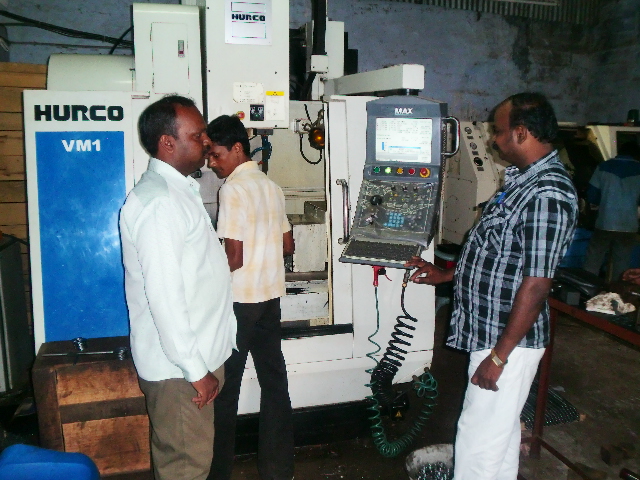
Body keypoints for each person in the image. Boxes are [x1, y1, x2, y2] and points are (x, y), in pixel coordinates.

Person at [406, 92, 578, 480]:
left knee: (478, 442)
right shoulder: (521, 183)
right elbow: (498, 257)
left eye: (498, 131)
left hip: (506, 341)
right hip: (491, 331)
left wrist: (499, 357)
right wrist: (445, 275)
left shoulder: (547, 194)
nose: (493, 140)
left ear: (521, 133)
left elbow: (536, 284)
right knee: (497, 438)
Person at [120, 96, 237, 480]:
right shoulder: (159, 203)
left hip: (194, 359)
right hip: (180, 370)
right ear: (167, 143)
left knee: (190, 462)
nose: (206, 141)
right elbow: (165, 298)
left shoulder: (177, 191)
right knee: (185, 468)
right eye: (197, 134)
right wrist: (195, 369)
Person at [206, 115, 295, 480]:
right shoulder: (271, 186)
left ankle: (218, 474)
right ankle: (278, 470)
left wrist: (202, 280)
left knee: (225, 393)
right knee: (275, 385)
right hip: (269, 300)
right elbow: (288, 245)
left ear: (237, 148)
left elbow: (234, 258)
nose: (211, 163)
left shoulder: (232, 189)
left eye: (216, 154)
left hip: (240, 304)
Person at [582, 141, 640, 281]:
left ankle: (587, 289)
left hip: (605, 222)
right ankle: (616, 292)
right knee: (622, 264)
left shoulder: (603, 166)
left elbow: (592, 195)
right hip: (629, 225)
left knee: (593, 259)